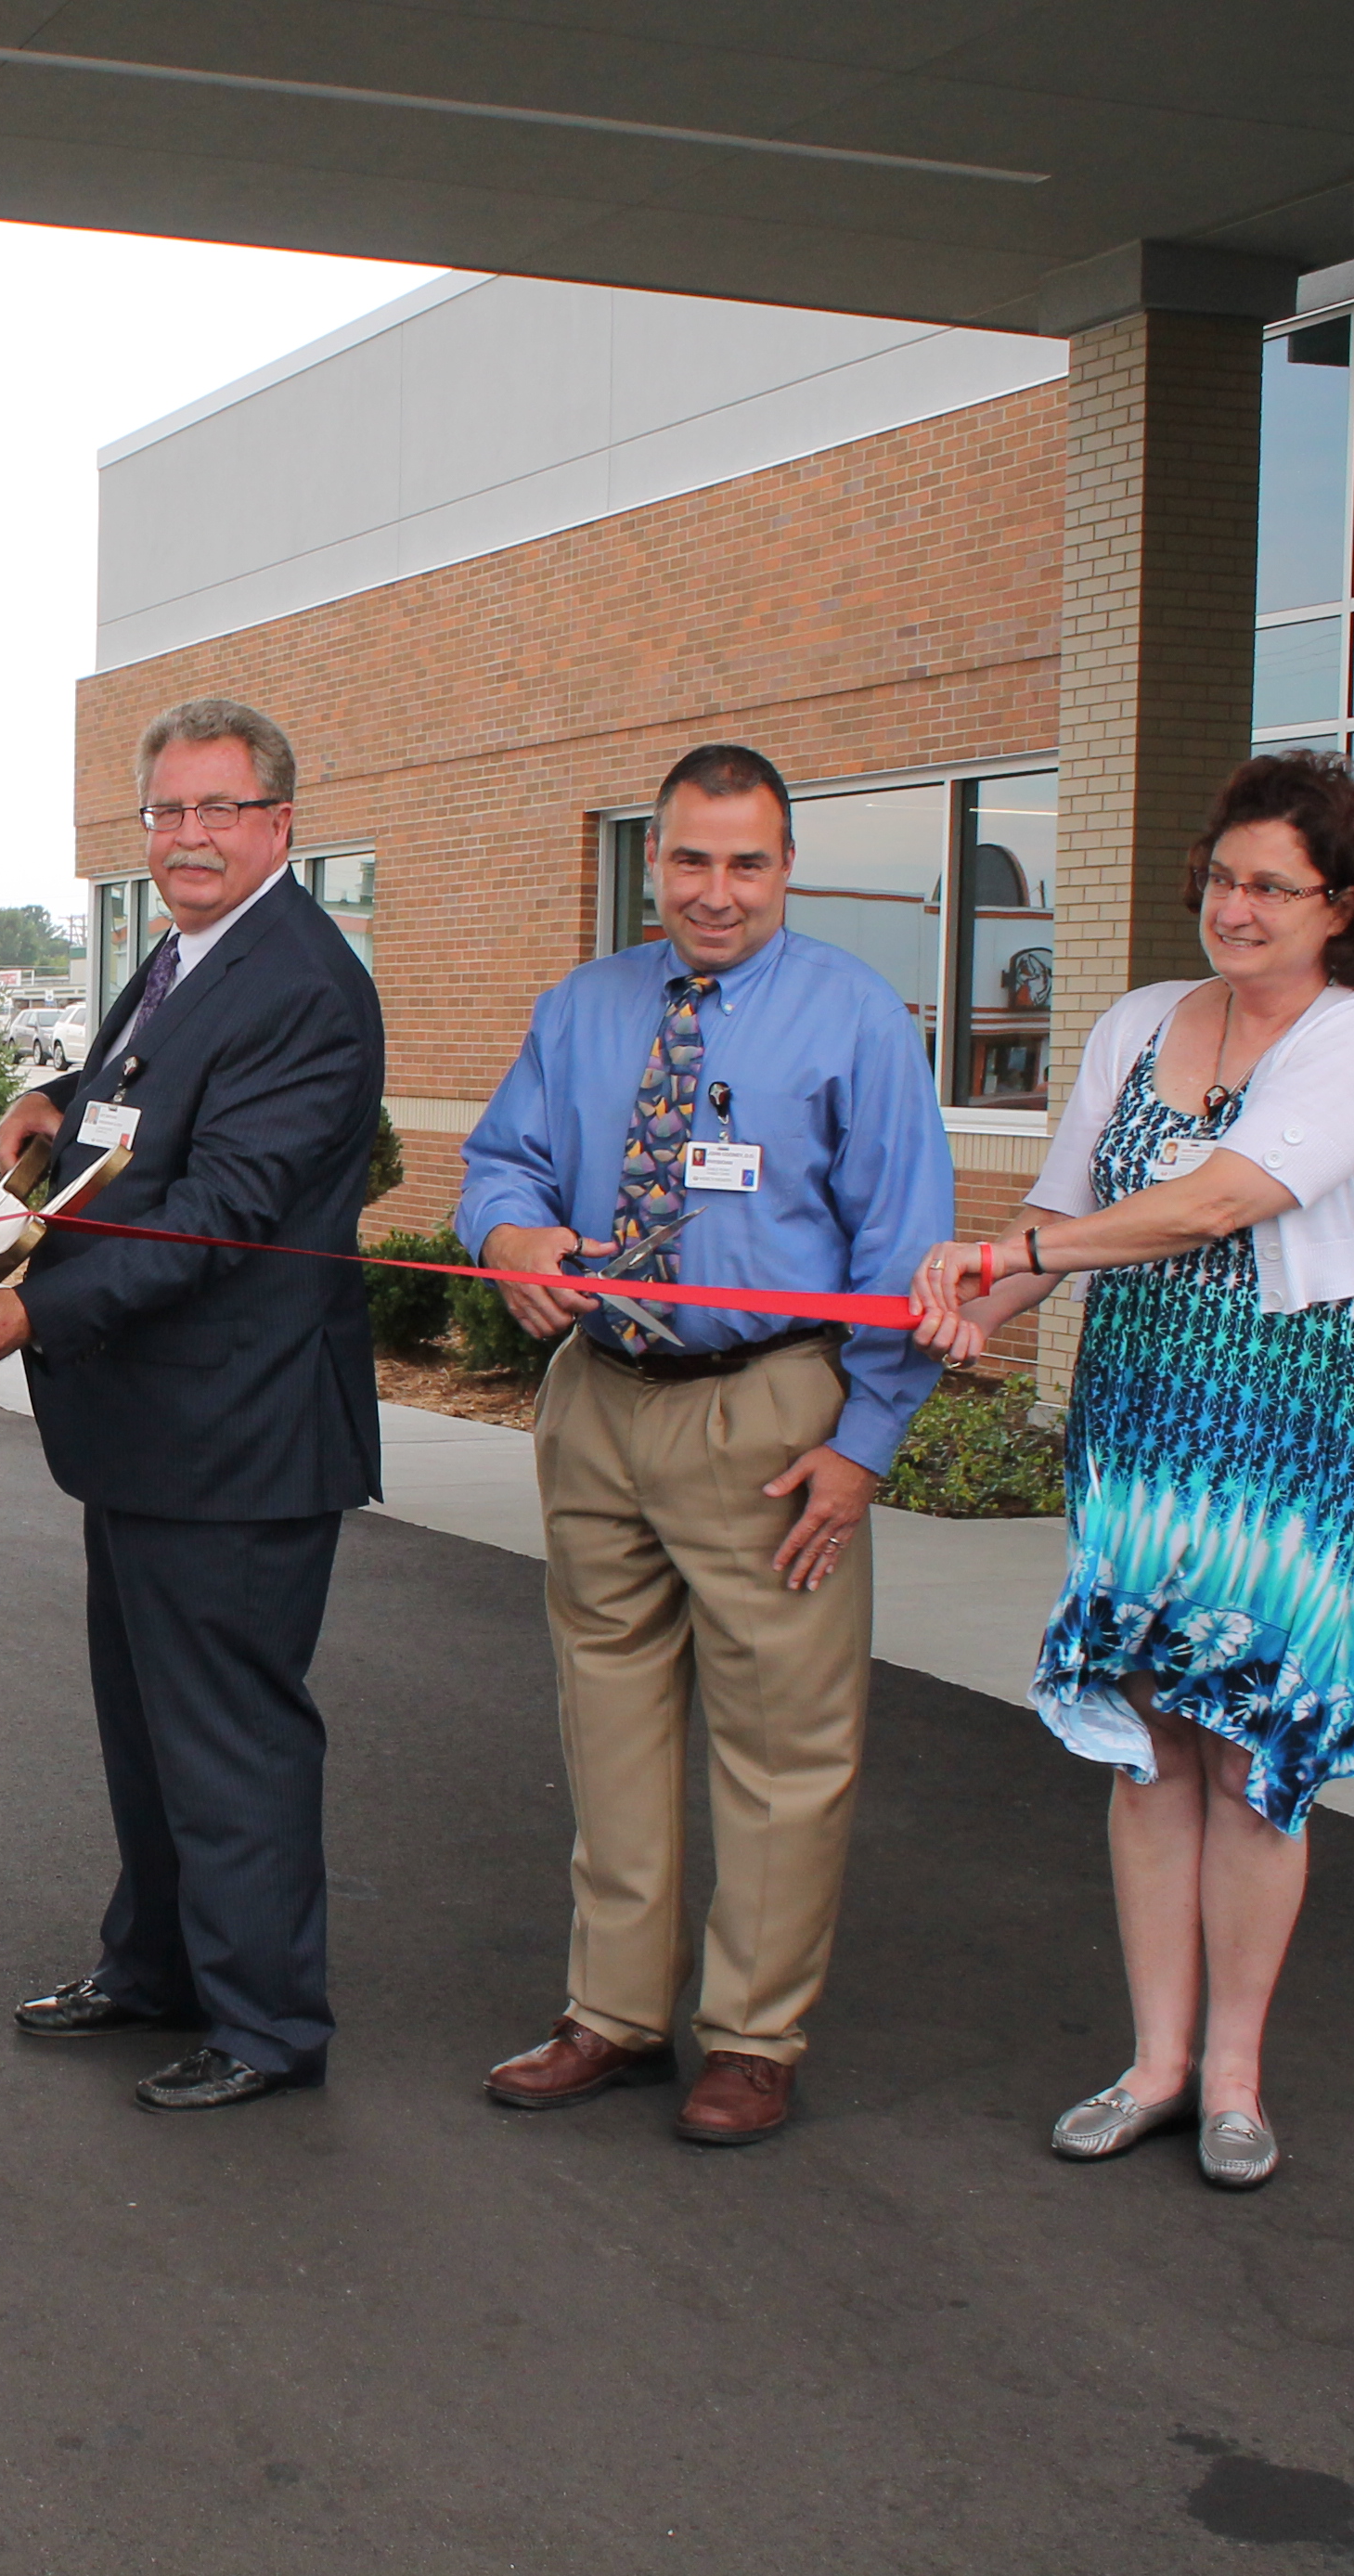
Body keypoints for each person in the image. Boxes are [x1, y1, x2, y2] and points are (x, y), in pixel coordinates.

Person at [908, 752, 1354, 2192]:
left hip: (1293, 1428)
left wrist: (1015, 1260)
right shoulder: (1144, 1018)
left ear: (1346, 904)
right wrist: (971, 1303)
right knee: (1151, 1748)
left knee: (1254, 1757)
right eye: (1223, 876)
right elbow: (1061, 1206)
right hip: (1143, 1425)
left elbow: (1224, 1199)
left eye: (1275, 886)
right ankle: (1152, 2065)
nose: (1238, 907)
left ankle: (1235, 2082)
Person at [455, 741, 953, 2147]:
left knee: (784, 1741)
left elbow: (904, 1250)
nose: (715, 891)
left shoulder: (854, 1017)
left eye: (745, 862)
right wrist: (512, 1235)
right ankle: (611, 2013)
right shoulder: (586, 1007)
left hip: (769, 1412)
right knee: (607, 1718)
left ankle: (753, 2035)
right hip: (599, 1399)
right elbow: (498, 1164)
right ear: (653, 860)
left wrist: (864, 1446)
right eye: (689, 859)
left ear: (788, 867)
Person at [0, 698, 383, 2113]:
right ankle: (161, 1963)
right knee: (150, 1722)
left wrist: (27, 1310)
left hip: (238, 1436)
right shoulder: (185, 958)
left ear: (280, 825)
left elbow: (226, 1208)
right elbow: (151, 1109)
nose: (189, 837)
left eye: (219, 810)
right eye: (167, 813)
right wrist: (56, 1092)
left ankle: (269, 2024)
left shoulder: (297, 978)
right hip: (156, 1432)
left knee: (231, 1732)